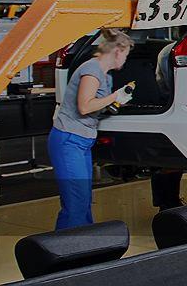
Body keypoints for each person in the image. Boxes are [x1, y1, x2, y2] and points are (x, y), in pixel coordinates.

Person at [49, 29, 135, 229]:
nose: (125, 59)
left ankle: (85, 243)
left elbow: (97, 106)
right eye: (126, 54)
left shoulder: (105, 76)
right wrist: (114, 96)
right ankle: (67, 246)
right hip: (69, 140)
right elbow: (85, 106)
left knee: (83, 200)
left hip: (82, 141)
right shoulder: (92, 70)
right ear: (118, 51)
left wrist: (116, 102)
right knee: (76, 204)